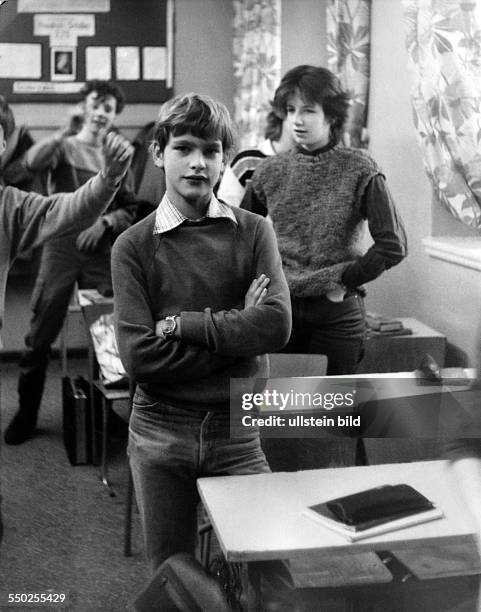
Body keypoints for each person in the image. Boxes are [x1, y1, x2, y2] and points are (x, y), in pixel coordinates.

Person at [111, 92, 291, 571]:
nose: (198, 163)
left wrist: (182, 326)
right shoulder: (132, 245)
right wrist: (236, 334)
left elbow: (276, 325)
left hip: (237, 425)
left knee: (266, 567)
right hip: (159, 428)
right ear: (158, 153)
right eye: (184, 148)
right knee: (174, 574)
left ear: (225, 159)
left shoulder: (254, 231)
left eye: (211, 151)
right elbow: (140, 358)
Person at [0, 94, 133, 539]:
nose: (101, 113)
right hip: (59, 251)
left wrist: (109, 209)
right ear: (84, 106)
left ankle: (107, 422)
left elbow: (112, 206)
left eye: (109, 108)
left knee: (107, 340)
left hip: (96, 251)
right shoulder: (61, 144)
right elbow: (27, 165)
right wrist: (63, 130)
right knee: (40, 335)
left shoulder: (114, 152)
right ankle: (26, 414)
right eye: (96, 104)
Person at [242, 65, 408, 375]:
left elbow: (393, 244)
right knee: (279, 413)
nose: (296, 120)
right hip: (281, 308)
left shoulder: (359, 167)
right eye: (290, 110)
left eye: (308, 110)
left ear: (330, 115)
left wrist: (345, 281)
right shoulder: (269, 170)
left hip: (336, 311)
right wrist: (263, 287)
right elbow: (242, 239)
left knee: (332, 414)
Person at [216, 109, 294, 207]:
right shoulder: (246, 161)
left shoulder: (313, 163)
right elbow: (224, 212)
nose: (302, 119)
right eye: (292, 110)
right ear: (281, 114)